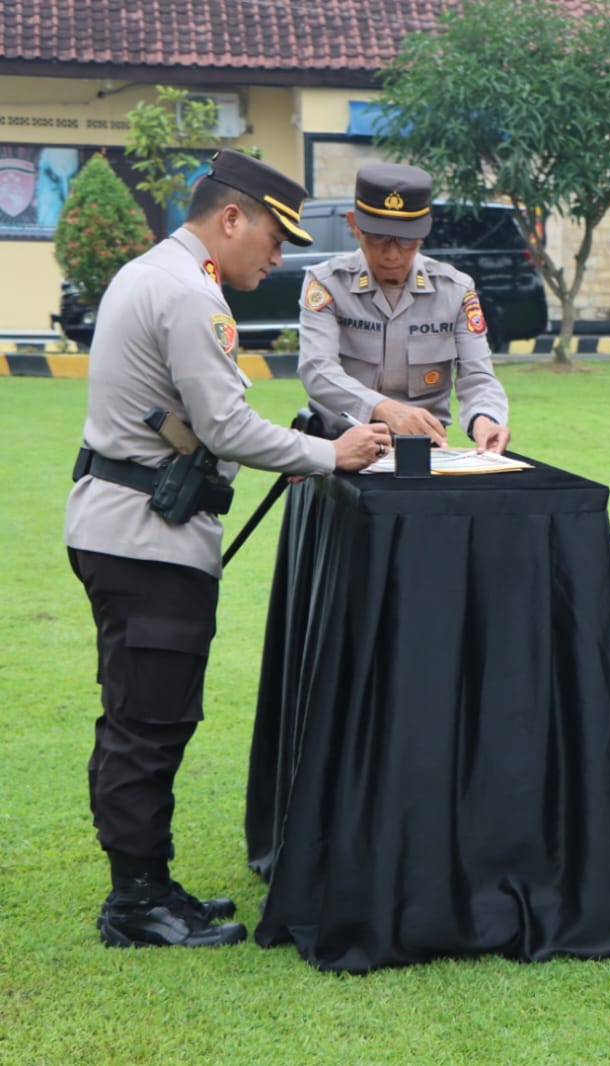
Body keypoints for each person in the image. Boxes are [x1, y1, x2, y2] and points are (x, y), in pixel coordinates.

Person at [64, 149, 390, 949]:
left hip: (128, 525)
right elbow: (225, 428)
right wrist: (331, 453)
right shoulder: (187, 293)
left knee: (143, 713)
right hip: (145, 539)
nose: (279, 257)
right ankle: (136, 903)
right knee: (150, 720)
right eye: (273, 239)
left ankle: (148, 880)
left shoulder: (156, 274)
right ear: (230, 218)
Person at [298, 162, 511, 453]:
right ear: (354, 225)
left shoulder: (455, 290)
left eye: (406, 240)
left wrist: (485, 419)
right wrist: (384, 408)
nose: (392, 254)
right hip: (341, 448)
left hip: (423, 454)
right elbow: (317, 370)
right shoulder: (327, 284)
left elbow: (477, 375)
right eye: (378, 237)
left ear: (424, 233)